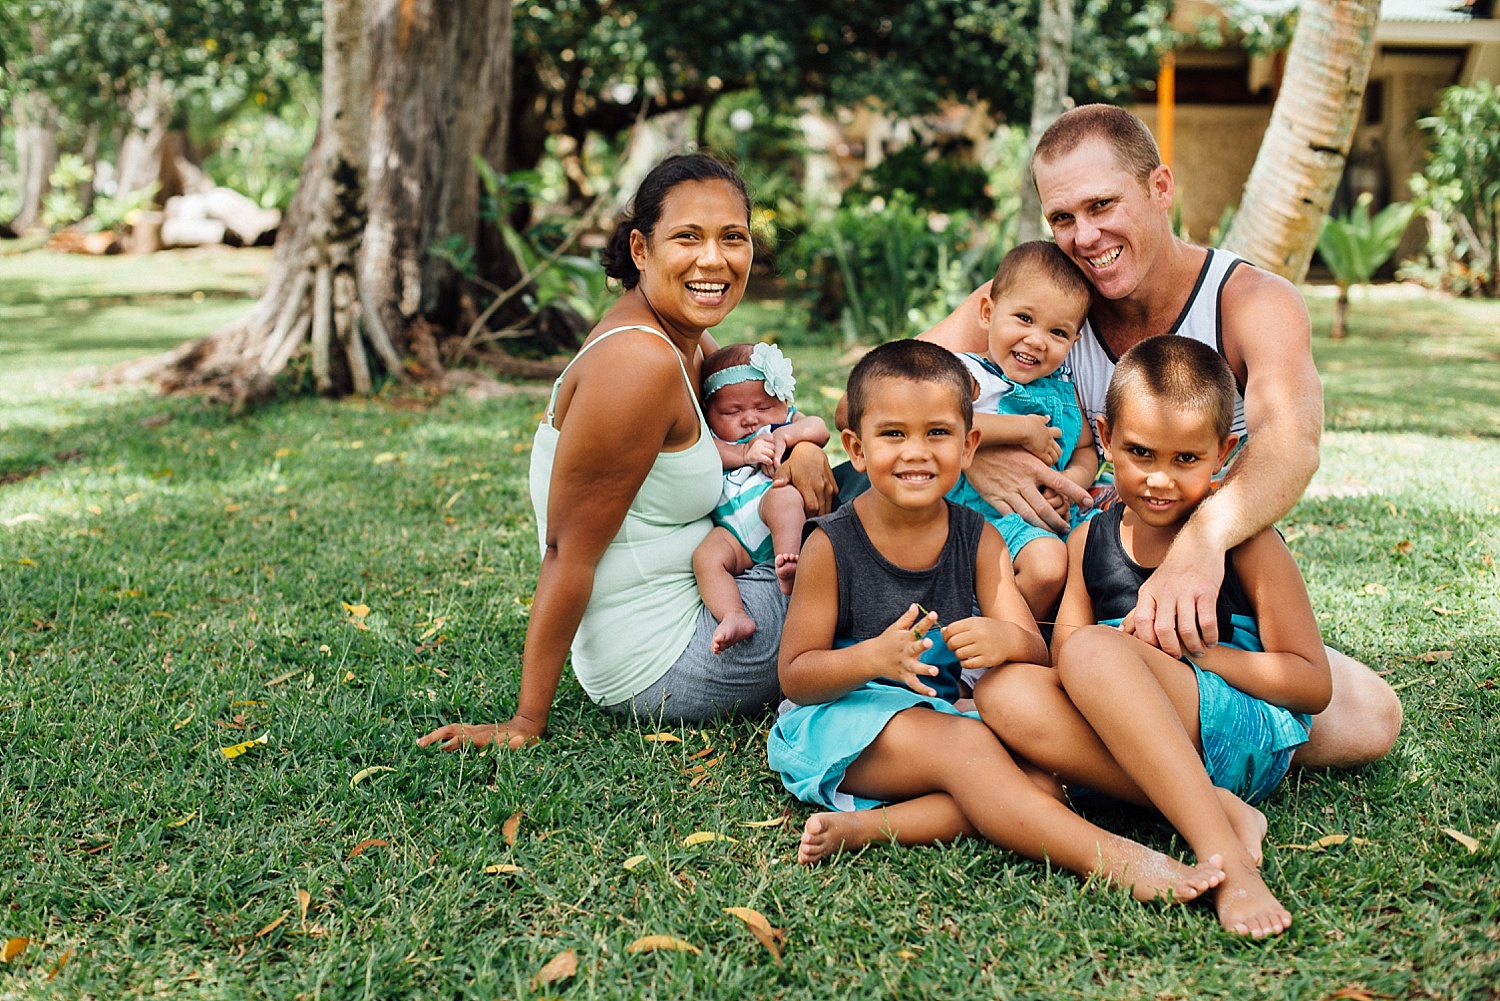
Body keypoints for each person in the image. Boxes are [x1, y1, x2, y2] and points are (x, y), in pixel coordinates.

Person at [922, 104, 1401, 770]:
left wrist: (1200, 544)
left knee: (1367, 718)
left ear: (1161, 188)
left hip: (1191, 606)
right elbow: (887, 382)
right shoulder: (1044, 300)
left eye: (1102, 205)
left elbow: (1291, 441)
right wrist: (976, 455)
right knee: (1027, 681)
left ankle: (1088, 744)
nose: (1085, 237)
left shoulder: (1249, 301)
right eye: (1063, 218)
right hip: (1047, 593)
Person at [768, 339, 1229, 907]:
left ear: (969, 446)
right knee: (970, 752)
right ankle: (1113, 859)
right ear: (856, 449)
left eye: (938, 433)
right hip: (841, 719)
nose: (917, 452)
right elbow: (796, 677)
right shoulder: (832, 546)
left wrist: (1002, 636)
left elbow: (1034, 651)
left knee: (1037, 782)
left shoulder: (979, 537)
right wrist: (873, 658)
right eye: (894, 435)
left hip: (942, 715)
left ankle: (863, 830)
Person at [417, 153, 835, 752]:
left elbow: (760, 431)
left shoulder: (685, 337)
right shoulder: (637, 364)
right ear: (640, 250)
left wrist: (803, 455)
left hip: (718, 587)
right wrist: (526, 721)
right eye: (687, 237)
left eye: (732, 238)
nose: (713, 259)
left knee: (895, 482)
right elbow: (566, 552)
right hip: (672, 655)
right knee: (900, 514)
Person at [978, 337, 1332, 939]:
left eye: (1187, 460)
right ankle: (1220, 809)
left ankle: (1226, 856)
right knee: (1001, 692)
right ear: (1106, 436)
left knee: (1092, 647)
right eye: (1140, 452)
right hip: (1131, 725)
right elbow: (1065, 655)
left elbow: (1311, 683)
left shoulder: (1243, 541)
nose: (1160, 479)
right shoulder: (1089, 540)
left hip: (1235, 727)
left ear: (1225, 452)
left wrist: (1196, 654)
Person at [942, 240, 1097, 620]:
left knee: (1100, 545)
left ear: (1074, 341)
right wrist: (1022, 430)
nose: (1036, 340)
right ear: (987, 312)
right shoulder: (968, 374)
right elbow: (939, 425)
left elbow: (1086, 449)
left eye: (1058, 332)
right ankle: (991, 648)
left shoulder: (1063, 388)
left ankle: (1040, 635)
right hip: (979, 515)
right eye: (1024, 319)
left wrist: (1067, 485)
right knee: (1046, 565)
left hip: (1046, 517)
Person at [694, 341, 829, 653]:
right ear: (709, 414)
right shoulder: (715, 440)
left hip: (772, 512)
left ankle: (790, 560)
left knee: (784, 499)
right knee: (706, 557)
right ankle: (733, 614)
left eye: (763, 407)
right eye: (732, 411)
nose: (750, 419)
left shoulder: (783, 424)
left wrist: (787, 434)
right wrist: (742, 452)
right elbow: (705, 452)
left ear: (782, 402)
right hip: (734, 536)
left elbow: (819, 428)